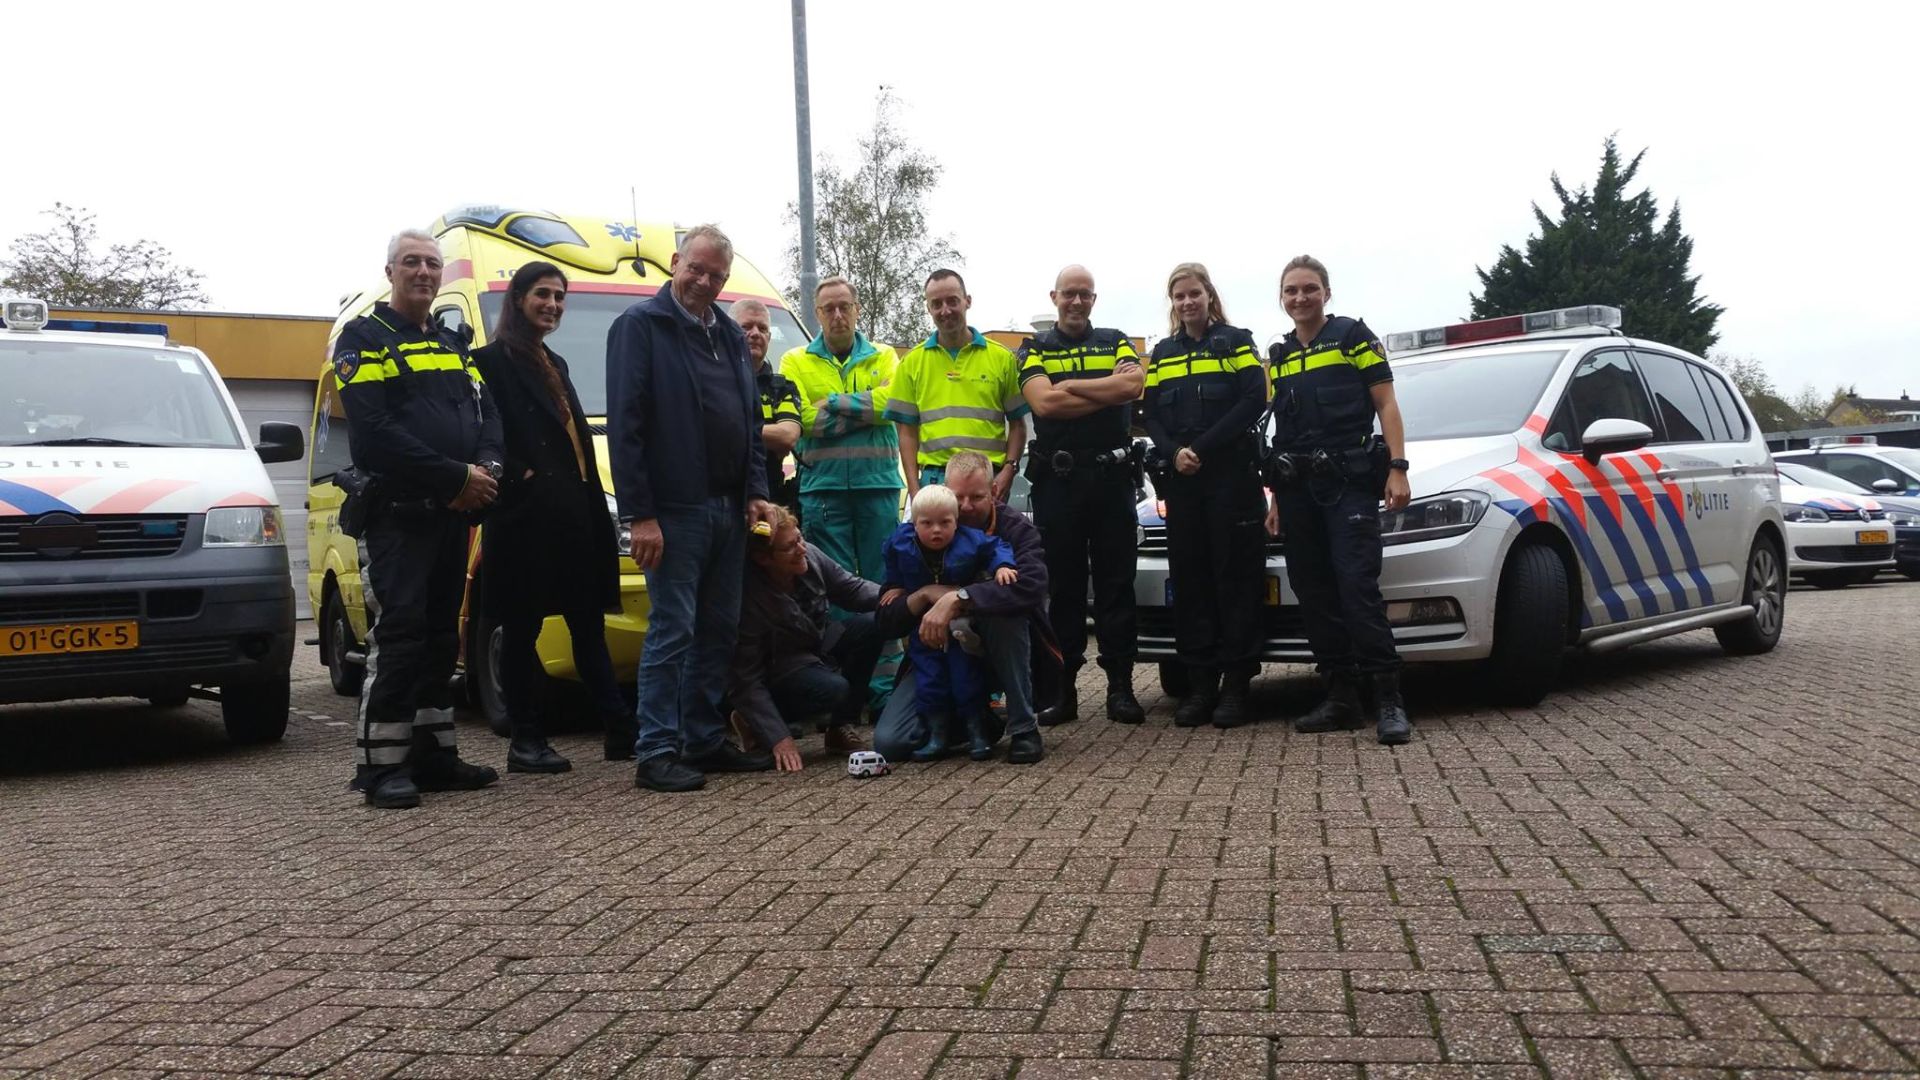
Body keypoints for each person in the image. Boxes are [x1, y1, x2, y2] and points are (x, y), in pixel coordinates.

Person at [605, 224, 780, 793]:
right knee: (672, 629)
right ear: (676, 263)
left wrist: (756, 488)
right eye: (696, 269)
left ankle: (702, 739)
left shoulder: (729, 335)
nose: (703, 281)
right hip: (672, 511)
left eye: (716, 276)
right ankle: (655, 749)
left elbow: (750, 423)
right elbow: (625, 427)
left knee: (719, 630)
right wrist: (640, 515)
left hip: (729, 508)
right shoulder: (639, 327)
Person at [335, 228, 504, 809]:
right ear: (390, 272)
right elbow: (376, 435)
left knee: (439, 639)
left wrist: (485, 470)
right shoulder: (363, 339)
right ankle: (381, 769)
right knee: (401, 636)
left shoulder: (454, 343)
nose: (424, 273)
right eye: (412, 262)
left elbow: (489, 418)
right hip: (398, 519)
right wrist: (455, 477)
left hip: (453, 516)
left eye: (433, 264)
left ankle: (435, 757)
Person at [471, 261, 633, 774]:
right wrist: (521, 480)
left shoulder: (554, 361)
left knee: (588, 626)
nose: (554, 305)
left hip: (575, 517)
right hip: (525, 521)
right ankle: (525, 740)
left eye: (560, 297)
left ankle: (619, 730)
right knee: (521, 630)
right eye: (543, 295)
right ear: (517, 298)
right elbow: (483, 436)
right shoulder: (489, 362)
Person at [1265, 255, 1411, 745]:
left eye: (1309, 288)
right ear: (1282, 299)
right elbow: (1282, 431)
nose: (1300, 298)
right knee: (1314, 592)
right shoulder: (1280, 355)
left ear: (1327, 293)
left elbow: (1386, 402)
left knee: (1356, 587)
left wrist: (1396, 467)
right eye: (1291, 291)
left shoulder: (1352, 337)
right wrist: (1277, 501)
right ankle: (1341, 698)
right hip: (1298, 489)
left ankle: (1389, 700)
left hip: (1348, 482)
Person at [1017, 265, 1148, 727]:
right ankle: (1063, 691)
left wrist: (1070, 386)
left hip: (1112, 481)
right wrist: (1104, 392)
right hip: (1059, 483)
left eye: (1085, 295)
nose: (1076, 302)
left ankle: (1121, 688)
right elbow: (1044, 404)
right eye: (1069, 294)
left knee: (1116, 585)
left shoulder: (1115, 340)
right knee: (1064, 589)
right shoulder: (1033, 348)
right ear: (1054, 296)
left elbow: (1133, 385)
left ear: (1094, 299)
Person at [872, 451, 1059, 765]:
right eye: (958, 497)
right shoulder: (913, 535)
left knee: (1007, 615)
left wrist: (956, 598)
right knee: (891, 742)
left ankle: (1024, 729)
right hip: (937, 653)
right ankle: (978, 723)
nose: (967, 506)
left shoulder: (1015, 529)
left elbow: (1032, 586)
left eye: (977, 496)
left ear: (994, 492)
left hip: (997, 650)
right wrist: (923, 596)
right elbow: (886, 619)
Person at [1143, 262, 1267, 730]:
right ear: (1172, 303)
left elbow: (1254, 399)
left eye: (1194, 294)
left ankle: (1236, 686)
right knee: (1191, 582)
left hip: (1230, 478)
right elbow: (1151, 414)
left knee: (1234, 580)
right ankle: (1199, 687)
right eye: (1179, 296)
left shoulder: (1236, 342)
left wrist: (1201, 448)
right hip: (1184, 481)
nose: (1187, 302)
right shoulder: (1164, 352)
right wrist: (1174, 453)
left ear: (1209, 297)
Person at [730, 508, 884, 772]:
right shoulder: (748, 598)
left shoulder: (809, 554)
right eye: (790, 547)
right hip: (781, 668)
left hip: (817, 647)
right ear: (762, 558)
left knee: (871, 625)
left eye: (800, 539)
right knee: (833, 689)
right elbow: (745, 678)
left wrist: (901, 597)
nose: (801, 549)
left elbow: (853, 590)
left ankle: (840, 728)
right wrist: (778, 737)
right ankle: (755, 722)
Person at [780, 277, 901, 594]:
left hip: (878, 486)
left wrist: (833, 402)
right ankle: (843, 644)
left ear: (857, 310)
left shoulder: (884, 355)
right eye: (828, 308)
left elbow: (892, 404)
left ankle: (888, 645)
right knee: (832, 583)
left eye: (844, 307)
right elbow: (804, 420)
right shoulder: (795, 360)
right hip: (823, 489)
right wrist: (868, 408)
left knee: (886, 577)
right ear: (817, 314)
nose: (837, 315)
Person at [881, 485, 1018, 761]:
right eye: (927, 523)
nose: (936, 530)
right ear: (913, 523)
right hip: (924, 631)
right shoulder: (901, 543)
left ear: (957, 522)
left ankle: (978, 731)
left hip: (959, 629)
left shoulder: (971, 540)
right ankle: (937, 735)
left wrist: (1002, 566)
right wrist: (895, 586)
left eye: (945, 522)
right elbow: (891, 561)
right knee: (930, 681)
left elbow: (996, 547)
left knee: (965, 678)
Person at [887, 270, 1028, 501]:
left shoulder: (1002, 358)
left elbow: (1018, 426)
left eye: (952, 301)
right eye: (937, 303)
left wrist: (1008, 472)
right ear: (928, 308)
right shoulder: (911, 362)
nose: (945, 310)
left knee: (988, 539)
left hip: (987, 480)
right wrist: (914, 492)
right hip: (934, 481)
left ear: (967, 301)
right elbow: (907, 434)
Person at [733, 298, 803, 512]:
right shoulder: (709, 381)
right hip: (718, 499)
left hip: (769, 499)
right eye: (746, 327)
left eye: (762, 328)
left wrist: (730, 429)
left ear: (769, 337)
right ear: (727, 332)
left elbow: (787, 436)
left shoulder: (782, 388)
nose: (755, 333)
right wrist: (765, 434)